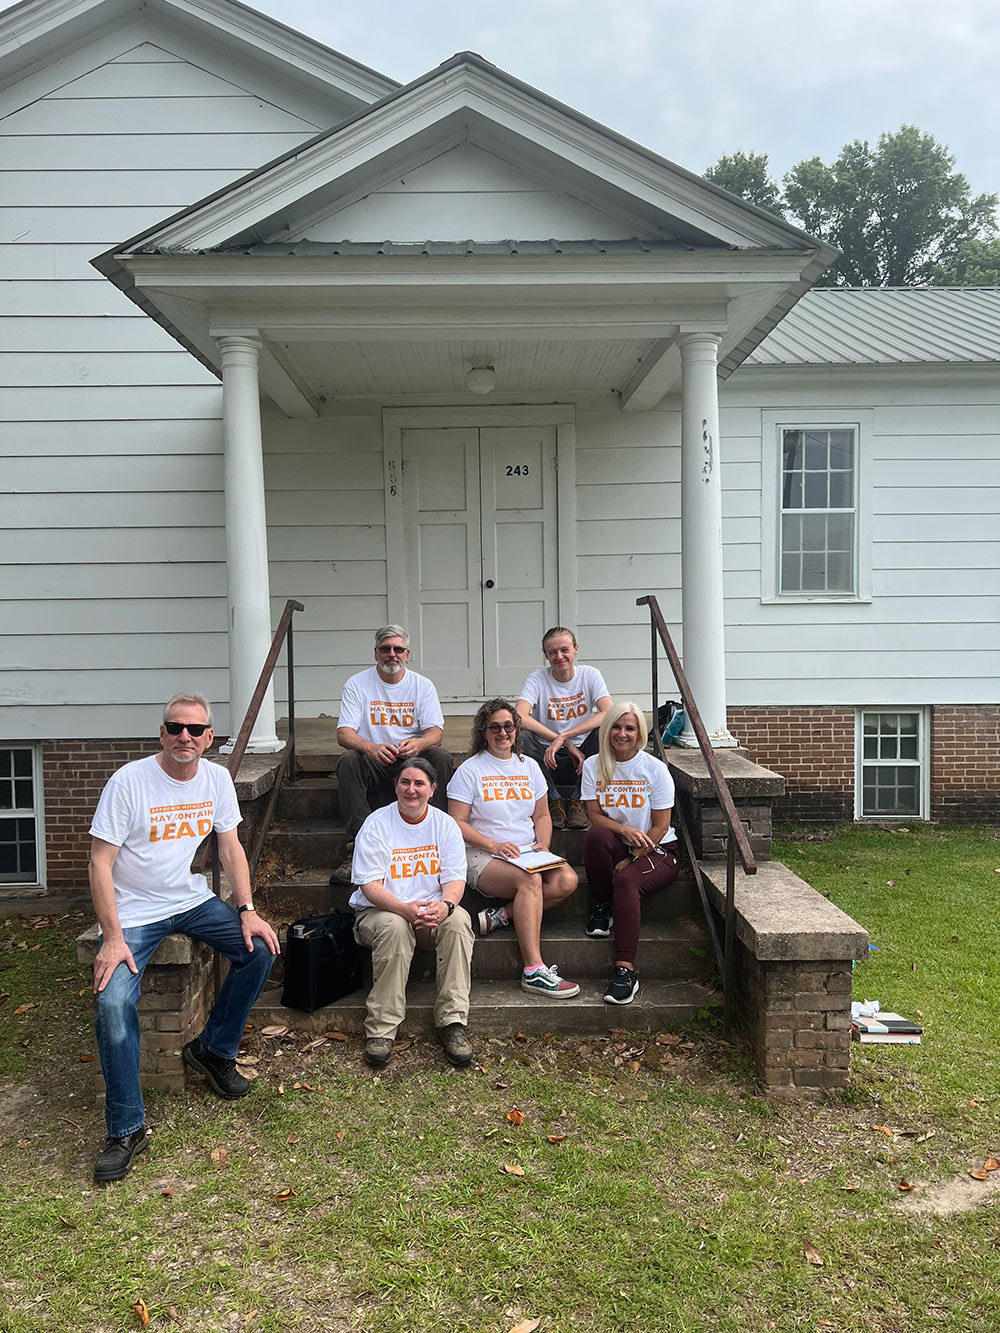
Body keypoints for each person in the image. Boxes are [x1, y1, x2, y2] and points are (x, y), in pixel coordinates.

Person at [88, 693, 279, 1183]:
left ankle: (213, 1050)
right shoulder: (129, 782)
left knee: (257, 951)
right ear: (162, 733)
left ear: (209, 738)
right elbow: (100, 862)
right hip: (133, 913)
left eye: (195, 730)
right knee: (113, 1005)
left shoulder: (216, 778)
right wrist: (112, 937)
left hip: (190, 900)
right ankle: (127, 1129)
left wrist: (247, 910)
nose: (185, 737)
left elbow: (231, 846)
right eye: (175, 727)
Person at [448, 699, 580, 998]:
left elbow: (543, 815)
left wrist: (543, 845)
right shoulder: (470, 770)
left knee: (567, 880)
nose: (502, 732)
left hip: (526, 852)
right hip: (482, 854)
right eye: (494, 727)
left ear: (516, 730)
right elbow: (456, 822)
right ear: (483, 731)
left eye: (508, 726)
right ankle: (533, 970)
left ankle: (502, 915)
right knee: (530, 880)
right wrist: (493, 844)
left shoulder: (529, 766)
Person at [350, 758, 474, 1069]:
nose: (411, 789)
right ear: (395, 787)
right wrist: (404, 909)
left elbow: (455, 879)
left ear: (433, 790)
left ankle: (452, 1023)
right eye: (405, 782)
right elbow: (370, 887)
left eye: (419, 783)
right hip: (378, 914)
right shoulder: (377, 823)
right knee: (394, 925)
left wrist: (445, 906)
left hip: (429, 915)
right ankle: (382, 1029)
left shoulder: (444, 825)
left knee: (459, 921)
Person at [331, 625, 454, 885]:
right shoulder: (357, 684)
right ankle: (358, 844)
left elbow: (436, 732)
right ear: (376, 653)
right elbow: (344, 734)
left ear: (407, 654)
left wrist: (420, 744)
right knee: (349, 761)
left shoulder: (422, 685)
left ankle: (437, 837)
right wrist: (370, 747)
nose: (392, 654)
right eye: (385, 649)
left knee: (441, 757)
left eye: (398, 649)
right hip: (376, 761)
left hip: (411, 761)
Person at [581, 701, 681, 1005]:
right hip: (621, 841)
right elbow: (595, 816)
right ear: (607, 728)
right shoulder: (593, 765)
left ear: (639, 733)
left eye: (629, 728)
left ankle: (625, 972)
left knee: (626, 881)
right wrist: (624, 833)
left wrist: (632, 858)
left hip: (659, 849)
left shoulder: (654, 769)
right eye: (616, 726)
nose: (621, 733)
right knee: (596, 835)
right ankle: (602, 908)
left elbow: (662, 826)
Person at [516, 626, 612, 831]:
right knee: (522, 737)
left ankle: (578, 801)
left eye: (564, 650)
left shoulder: (590, 675)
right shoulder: (537, 679)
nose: (559, 656)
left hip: (582, 759)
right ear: (546, 655)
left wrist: (565, 736)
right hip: (546, 757)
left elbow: (608, 712)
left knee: (604, 732)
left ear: (576, 649)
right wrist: (564, 742)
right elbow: (520, 716)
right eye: (552, 652)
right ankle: (553, 801)